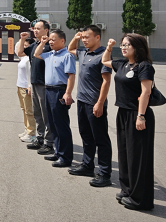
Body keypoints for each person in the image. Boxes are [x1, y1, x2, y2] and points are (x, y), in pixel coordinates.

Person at [102, 34, 155, 210]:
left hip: (137, 114)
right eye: (122, 45)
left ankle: (140, 199)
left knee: (137, 157)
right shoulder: (122, 64)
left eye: (127, 45)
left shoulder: (144, 66)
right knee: (125, 154)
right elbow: (104, 61)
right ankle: (127, 190)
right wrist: (109, 47)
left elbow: (146, 92)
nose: (123, 48)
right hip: (123, 112)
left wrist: (141, 116)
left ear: (137, 47)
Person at [67, 25, 113, 187]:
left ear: (97, 37)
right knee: (86, 135)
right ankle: (87, 166)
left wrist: (100, 103)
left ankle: (105, 174)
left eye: (87, 37)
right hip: (82, 101)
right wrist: (76, 37)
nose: (84, 40)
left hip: (95, 103)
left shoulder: (103, 55)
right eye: (83, 37)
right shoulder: (83, 52)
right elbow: (70, 48)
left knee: (101, 139)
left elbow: (106, 81)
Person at [33, 29, 76, 168]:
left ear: (62, 41)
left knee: (61, 125)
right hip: (48, 90)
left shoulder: (67, 55)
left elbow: (71, 76)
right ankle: (58, 152)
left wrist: (68, 93)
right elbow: (36, 54)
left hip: (59, 91)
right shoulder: (50, 54)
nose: (50, 42)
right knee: (52, 124)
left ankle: (65, 157)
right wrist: (42, 42)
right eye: (49, 39)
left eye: (53, 39)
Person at [17, 21, 54, 155]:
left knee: (46, 114)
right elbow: (20, 52)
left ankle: (49, 142)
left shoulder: (50, 45)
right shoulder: (35, 44)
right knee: (37, 113)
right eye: (34, 28)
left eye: (38, 28)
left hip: (45, 84)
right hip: (34, 83)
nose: (35, 30)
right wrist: (22, 39)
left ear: (46, 30)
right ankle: (40, 138)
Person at [16, 38, 36, 142]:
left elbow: (32, 73)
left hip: (26, 87)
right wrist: (22, 39)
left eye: (26, 46)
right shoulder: (23, 56)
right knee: (24, 109)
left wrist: (30, 86)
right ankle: (26, 129)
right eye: (23, 46)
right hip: (20, 86)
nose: (24, 47)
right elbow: (17, 49)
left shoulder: (31, 57)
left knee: (29, 111)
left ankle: (31, 133)